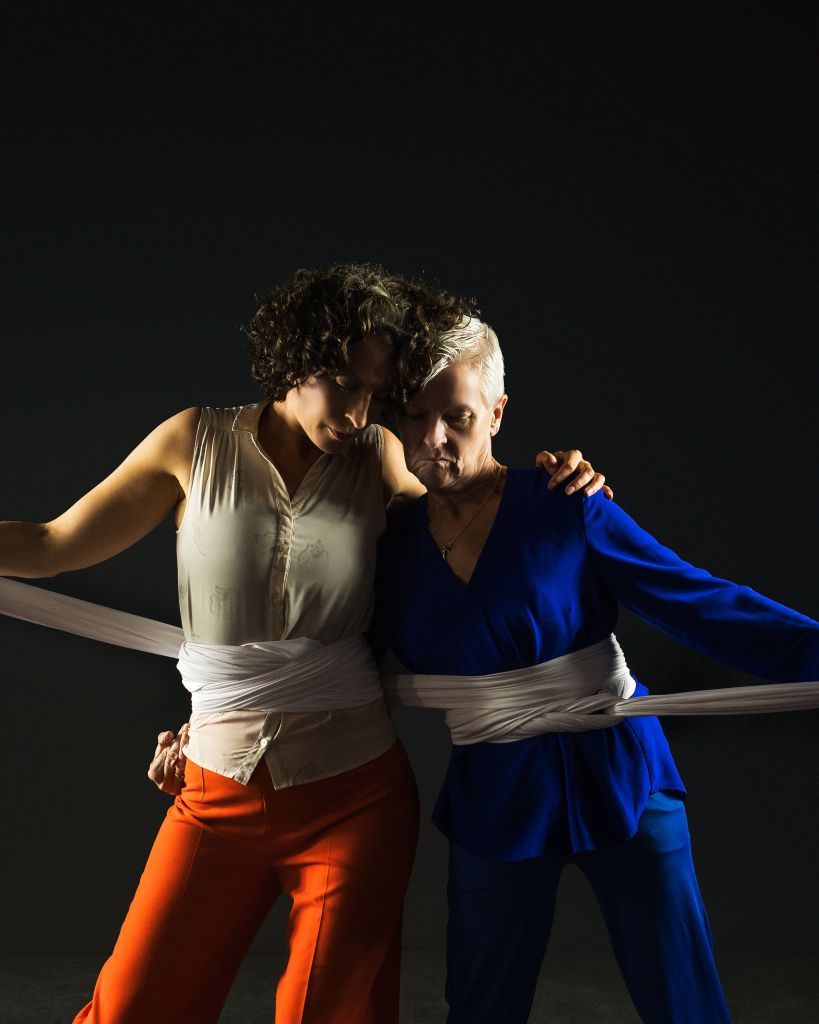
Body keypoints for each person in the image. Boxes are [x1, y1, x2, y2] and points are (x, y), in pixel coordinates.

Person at [0, 264, 608, 1024]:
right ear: (292, 362)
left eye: (373, 392)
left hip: (355, 795)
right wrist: (210, 715)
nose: (357, 412)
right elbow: (53, 544)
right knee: (132, 1008)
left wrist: (556, 482)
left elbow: (475, 525)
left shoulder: (380, 458)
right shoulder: (193, 441)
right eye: (340, 382)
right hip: (217, 785)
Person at [366, 317, 819, 1023]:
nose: (433, 439)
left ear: (494, 412)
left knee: (683, 1000)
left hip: (624, 776)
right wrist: (212, 721)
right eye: (414, 418)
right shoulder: (387, 549)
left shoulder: (564, 504)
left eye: (456, 416)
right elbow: (332, 663)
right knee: (482, 1004)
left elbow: (698, 601)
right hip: (496, 795)